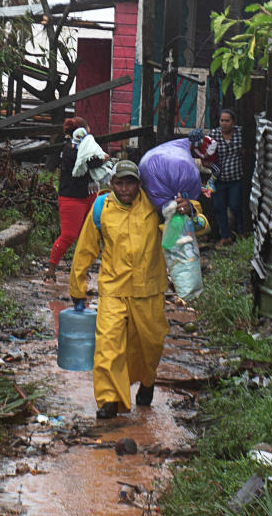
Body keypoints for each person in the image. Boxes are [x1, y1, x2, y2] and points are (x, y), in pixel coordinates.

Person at [69, 160, 194, 419]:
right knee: (108, 346)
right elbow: (85, 249)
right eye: (120, 183)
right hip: (113, 289)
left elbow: (193, 224)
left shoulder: (156, 203)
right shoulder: (102, 208)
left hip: (149, 289)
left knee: (151, 345)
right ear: (112, 183)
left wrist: (191, 210)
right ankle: (109, 400)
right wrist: (77, 286)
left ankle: (147, 381)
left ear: (139, 184)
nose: (125, 189)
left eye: (130, 183)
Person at [44, 117, 107, 283]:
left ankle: (81, 268)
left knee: (88, 235)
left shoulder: (83, 145)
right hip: (72, 198)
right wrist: (104, 159)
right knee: (69, 235)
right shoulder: (72, 148)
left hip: (88, 194)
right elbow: (91, 163)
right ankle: (50, 269)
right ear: (83, 130)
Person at [209, 109, 247, 247]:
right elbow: (207, 154)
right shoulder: (214, 135)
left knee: (235, 206)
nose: (224, 123)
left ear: (233, 122)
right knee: (219, 207)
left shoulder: (240, 133)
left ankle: (241, 232)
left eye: (227, 120)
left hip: (235, 178)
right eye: (222, 120)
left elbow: (246, 150)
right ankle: (225, 237)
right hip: (219, 179)